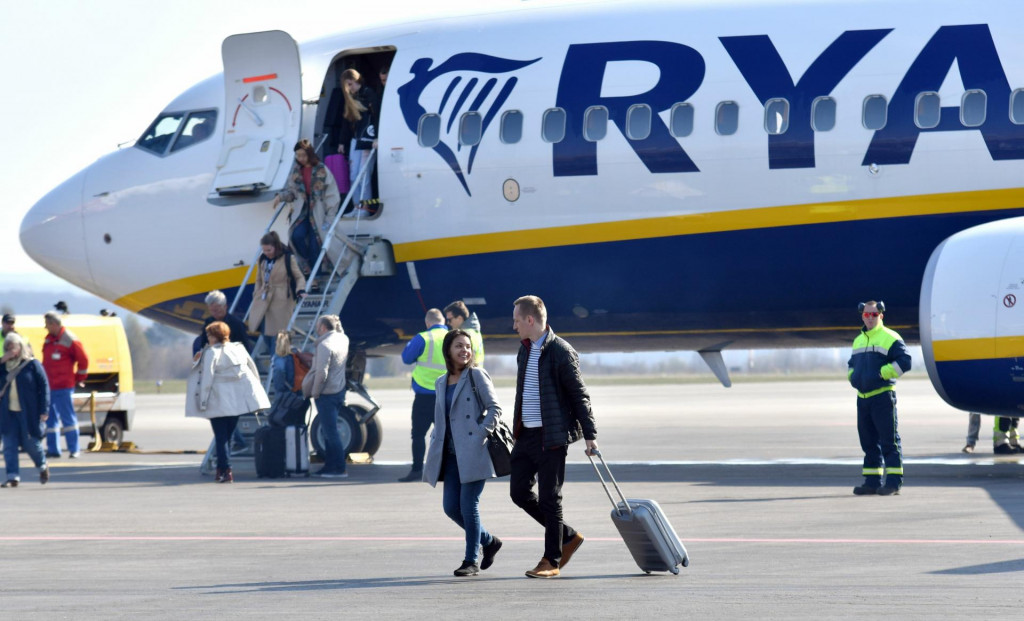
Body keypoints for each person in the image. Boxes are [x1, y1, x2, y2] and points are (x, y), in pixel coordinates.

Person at [510, 295, 597, 578]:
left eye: (516, 320)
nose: (514, 326)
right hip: (526, 436)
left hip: (551, 437)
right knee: (519, 492)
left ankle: (551, 560)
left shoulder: (561, 350)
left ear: (530, 320)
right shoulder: (524, 350)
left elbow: (579, 395)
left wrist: (590, 436)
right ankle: (568, 536)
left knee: (550, 498)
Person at [422, 329, 504, 576]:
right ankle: (489, 541)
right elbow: (441, 418)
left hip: (473, 451)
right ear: (448, 350)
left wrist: (480, 434)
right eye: (459, 346)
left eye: (467, 346)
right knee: (450, 508)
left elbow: (495, 408)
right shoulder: (440, 381)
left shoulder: (476, 375)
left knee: (469, 506)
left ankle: (471, 560)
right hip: (449, 454)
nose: (464, 351)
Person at [187, 321, 270, 483]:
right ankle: (224, 470)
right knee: (229, 436)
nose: (208, 338)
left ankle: (225, 470)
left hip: (217, 400)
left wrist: (202, 402)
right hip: (236, 400)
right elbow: (252, 371)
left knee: (220, 437)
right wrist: (255, 392)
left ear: (215, 336)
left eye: (209, 335)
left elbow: (207, 379)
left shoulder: (211, 352)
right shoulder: (238, 349)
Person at [847, 300, 911, 496]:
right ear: (862, 316)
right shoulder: (858, 340)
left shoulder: (890, 337)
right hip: (863, 398)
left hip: (882, 397)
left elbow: (905, 362)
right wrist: (853, 377)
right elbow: (851, 364)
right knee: (868, 442)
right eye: (867, 314)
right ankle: (872, 481)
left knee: (888, 441)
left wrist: (883, 373)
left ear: (881, 316)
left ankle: (893, 482)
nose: (870, 318)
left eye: (874, 315)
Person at [273, 139, 341, 273]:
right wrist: (281, 196)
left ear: (309, 154)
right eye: (298, 155)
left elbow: (332, 194)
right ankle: (306, 266)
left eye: (303, 155)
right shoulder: (296, 171)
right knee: (296, 236)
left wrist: (330, 215)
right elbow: (292, 193)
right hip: (302, 211)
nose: (300, 158)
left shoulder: (322, 170)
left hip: (319, 211)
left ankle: (317, 274)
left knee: (316, 243)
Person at [398, 308, 448, 482]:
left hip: (425, 395)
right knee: (448, 435)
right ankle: (449, 470)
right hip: (447, 395)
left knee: (418, 435)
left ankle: (417, 470)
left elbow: (406, 358)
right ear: (444, 321)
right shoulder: (455, 337)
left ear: (428, 323)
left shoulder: (424, 337)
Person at [302, 315, 350, 478]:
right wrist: (338, 322)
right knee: (330, 431)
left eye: (317, 325)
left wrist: (315, 393)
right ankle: (329, 466)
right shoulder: (343, 339)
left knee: (330, 433)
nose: (316, 328)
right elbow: (341, 332)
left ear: (323, 328)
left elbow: (322, 373)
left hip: (326, 393)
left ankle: (339, 468)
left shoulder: (324, 345)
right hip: (339, 390)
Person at [1, 333, 50, 487]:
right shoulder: (3, 367)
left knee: (31, 444)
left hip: (28, 412)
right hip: (8, 413)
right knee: (9, 445)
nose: (10, 350)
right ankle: (13, 476)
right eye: (7, 347)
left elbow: (44, 387)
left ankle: (42, 465)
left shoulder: (32, 365)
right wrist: (2, 360)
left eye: (13, 347)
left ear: (20, 347)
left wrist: (44, 409)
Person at [246, 231, 305, 353]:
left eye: (269, 250)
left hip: (281, 299)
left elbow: (299, 277)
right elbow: (258, 279)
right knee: (264, 333)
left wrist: (300, 290)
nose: (266, 253)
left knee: (281, 335)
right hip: (263, 298)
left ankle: (280, 361)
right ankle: (276, 359)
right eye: (264, 250)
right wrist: (256, 293)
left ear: (276, 247)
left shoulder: (288, 258)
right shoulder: (262, 259)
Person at [42, 311, 88, 458]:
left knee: (68, 419)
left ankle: (74, 449)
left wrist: (79, 377)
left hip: (64, 386)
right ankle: (53, 449)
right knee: (51, 420)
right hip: (50, 387)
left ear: (54, 324)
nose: (46, 327)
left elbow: (83, 360)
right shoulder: (49, 340)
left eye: (47, 325)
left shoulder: (70, 339)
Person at [196, 290, 254, 354]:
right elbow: (204, 343)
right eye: (211, 311)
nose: (214, 313)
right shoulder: (208, 322)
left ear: (225, 306)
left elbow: (244, 346)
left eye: (217, 310)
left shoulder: (237, 324)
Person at [444, 301, 485, 366]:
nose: (448, 323)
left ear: (459, 318)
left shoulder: (464, 336)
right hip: (476, 373)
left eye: (449, 319)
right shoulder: (474, 332)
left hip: (468, 374)